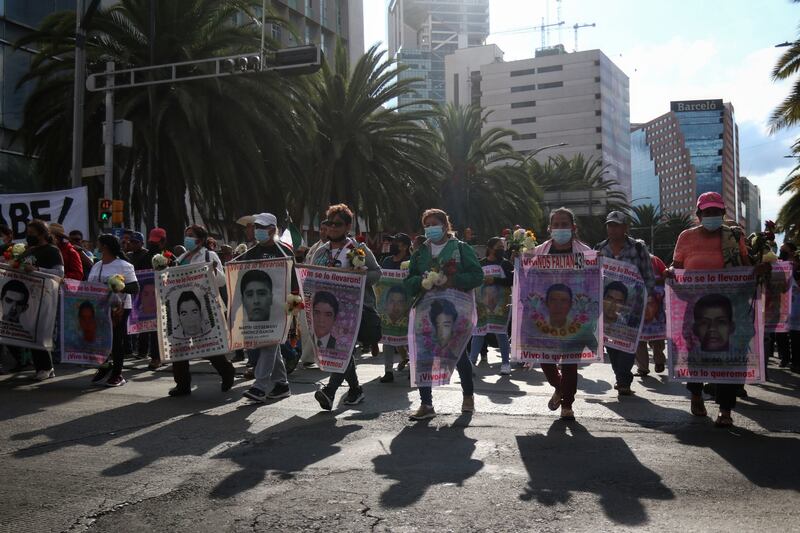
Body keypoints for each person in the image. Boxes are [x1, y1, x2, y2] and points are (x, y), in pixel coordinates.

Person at [665, 191, 764, 428]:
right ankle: (696, 393)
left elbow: (744, 267)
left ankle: (725, 409)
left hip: (730, 309)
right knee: (697, 355)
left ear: (723, 213)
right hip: (696, 309)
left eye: (716, 212)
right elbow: (677, 266)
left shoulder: (734, 236)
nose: (712, 216)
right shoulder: (686, 237)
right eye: (707, 212)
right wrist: (670, 272)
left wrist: (757, 271)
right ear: (698, 215)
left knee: (731, 356)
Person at [404, 208, 483, 420]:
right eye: (426, 225)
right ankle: (426, 404)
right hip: (426, 312)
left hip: (455, 312)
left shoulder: (460, 248)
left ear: (445, 225)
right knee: (423, 356)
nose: (430, 228)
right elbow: (409, 281)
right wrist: (420, 282)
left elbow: (477, 275)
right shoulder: (420, 253)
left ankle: (468, 396)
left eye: (434, 223)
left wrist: (452, 281)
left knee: (457, 354)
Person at [311, 204, 382, 410]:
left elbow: (377, 273)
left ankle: (330, 391)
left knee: (344, 347)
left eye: (338, 224)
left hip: (354, 311)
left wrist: (360, 276)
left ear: (348, 226)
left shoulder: (357, 250)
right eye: (329, 223)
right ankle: (355, 389)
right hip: (328, 310)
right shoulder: (321, 251)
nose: (332, 228)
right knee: (342, 349)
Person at [532, 208, 592, 421]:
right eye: (555, 224)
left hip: (574, 316)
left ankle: (567, 405)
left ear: (573, 227)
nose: (560, 228)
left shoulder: (584, 252)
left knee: (569, 362)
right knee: (545, 360)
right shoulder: (539, 252)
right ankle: (559, 388)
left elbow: (591, 282)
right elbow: (528, 280)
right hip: (545, 316)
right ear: (549, 228)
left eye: (564, 224)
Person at [232, 212, 295, 403]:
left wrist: (293, 310)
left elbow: (294, 282)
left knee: (269, 344)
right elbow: (237, 277)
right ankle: (281, 384)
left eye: (262, 228)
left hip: (280, 308)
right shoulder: (250, 253)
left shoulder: (285, 251)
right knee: (268, 343)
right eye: (256, 227)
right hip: (259, 310)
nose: (257, 230)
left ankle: (259, 386)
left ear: (273, 230)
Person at [168, 224, 234, 397]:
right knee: (179, 345)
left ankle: (226, 371)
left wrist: (212, 269)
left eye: (191, 235)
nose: (187, 238)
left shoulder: (208, 255)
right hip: (180, 306)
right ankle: (182, 384)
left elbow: (221, 281)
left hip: (203, 306)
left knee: (205, 344)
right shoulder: (181, 257)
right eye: (186, 235)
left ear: (201, 239)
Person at [595, 211, 656, 397]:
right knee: (611, 344)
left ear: (625, 227)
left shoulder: (638, 248)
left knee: (629, 342)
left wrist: (649, 299)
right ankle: (621, 376)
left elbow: (648, 275)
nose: (612, 229)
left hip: (632, 307)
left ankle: (623, 380)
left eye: (616, 225)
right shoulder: (599, 248)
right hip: (607, 307)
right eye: (610, 225)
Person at [86, 234, 139, 387]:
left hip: (119, 309)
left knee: (116, 341)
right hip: (99, 308)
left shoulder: (123, 265)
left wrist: (118, 287)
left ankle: (118, 374)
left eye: (98, 244)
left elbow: (135, 288)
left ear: (105, 246)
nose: (96, 246)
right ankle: (104, 366)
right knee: (100, 340)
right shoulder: (97, 265)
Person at [19, 220, 64, 381]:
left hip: (45, 296)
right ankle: (41, 366)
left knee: (40, 332)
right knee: (30, 332)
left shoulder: (52, 251)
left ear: (42, 234)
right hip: (29, 297)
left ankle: (46, 367)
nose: (28, 236)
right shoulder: (29, 251)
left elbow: (59, 273)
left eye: (32, 234)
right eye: (28, 233)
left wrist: (37, 270)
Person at [468, 237, 514, 375]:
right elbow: (474, 279)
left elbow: (512, 280)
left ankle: (506, 363)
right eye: (498, 246)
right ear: (490, 247)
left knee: (501, 332)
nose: (501, 249)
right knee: (478, 332)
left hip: (501, 304)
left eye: (503, 246)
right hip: (481, 305)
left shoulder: (505, 264)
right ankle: (471, 362)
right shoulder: (480, 264)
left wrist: (495, 279)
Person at [379, 233, 412, 382]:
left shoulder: (411, 262)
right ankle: (388, 371)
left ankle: (413, 367)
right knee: (387, 338)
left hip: (407, 308)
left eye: (396, 243)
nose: (392, 246)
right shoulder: (386, 261)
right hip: (388, 308)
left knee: (409, 339)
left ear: (405, 246)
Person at [142, 228, 172, 370]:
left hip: (160, 297)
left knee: (157, 328)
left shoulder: (166, 257)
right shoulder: (163, 258)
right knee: (157, 328)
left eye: (156, 242)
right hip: (153, 298)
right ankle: (156, 357)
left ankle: (157, 356)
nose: (155, 244)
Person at [635, 253, 668, 376]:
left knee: (657, 337)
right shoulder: (630, 260)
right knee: (639, 339)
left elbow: (666, 274)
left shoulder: (654, 259)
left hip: (655, 303)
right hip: (637, 303)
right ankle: (643, 367)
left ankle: (658, 361)